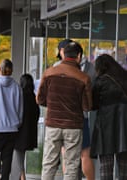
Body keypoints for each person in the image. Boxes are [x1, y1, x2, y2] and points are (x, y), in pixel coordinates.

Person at [36, 41, 92, 180]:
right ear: (78, 56)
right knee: (72, 165)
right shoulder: (83, 78)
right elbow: (87, 107)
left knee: (49, 164)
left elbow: (40, 99)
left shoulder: (49, 73)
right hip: (73, 126)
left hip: (52, 124)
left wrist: (54, 105)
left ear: (63, 54)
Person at [90, 54, 127, 180]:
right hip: (125, 126)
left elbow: (93, 105)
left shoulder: (100, 81)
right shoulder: (124, 77)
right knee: (124, 166)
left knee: (106, 166)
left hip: (105, 126)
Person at [10, 73, 40, 180]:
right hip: (30, 132)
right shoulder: (34, 97)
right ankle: (21, 175)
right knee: (20, 154)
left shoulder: (20, 96)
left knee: (18, 154)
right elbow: (37, 114)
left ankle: (22, 176)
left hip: (20, 131)